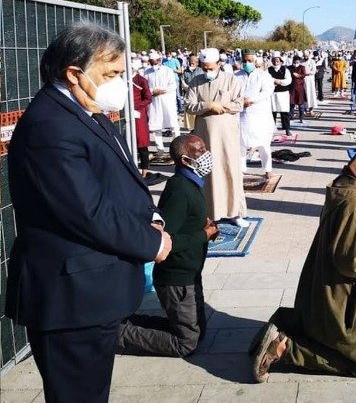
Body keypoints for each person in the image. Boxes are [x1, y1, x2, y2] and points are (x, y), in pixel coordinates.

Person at [5, 23, 172, 403]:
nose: (120, 83)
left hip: (91, 293)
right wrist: (151, 242)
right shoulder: (51, 126)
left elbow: (119, 182)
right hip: (70, 298)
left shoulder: (86, 111)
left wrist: (152, 217)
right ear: (74, 73)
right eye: (112, 74)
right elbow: (86, 211)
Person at [249, 142, 356, 382]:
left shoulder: (353, 182)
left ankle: (290, 332)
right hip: (344, 293)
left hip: (326, 280)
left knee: (350, 342)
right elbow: (354, 262)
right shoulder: (353, 203)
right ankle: (284, 349)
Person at [118, 135, 218, 357]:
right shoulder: (179, 189)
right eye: (200, 151)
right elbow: (166, 239)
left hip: (191, 273)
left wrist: (203, 225)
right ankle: (114, 335)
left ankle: (122, 323)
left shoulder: (192, 183)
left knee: (198, 332)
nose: (206, 155)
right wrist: (203, 235)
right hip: (176, 278)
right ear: (184, 159)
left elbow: (186, 223)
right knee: (186, 343)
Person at [185, 48, 248, 227]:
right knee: (208, 171)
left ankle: (234, 212)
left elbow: (238, 105)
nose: (207, 71)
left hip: (226, 136)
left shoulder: (231, 80)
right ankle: (211, 212)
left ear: (219, 65)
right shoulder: (195, 81)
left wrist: (220, 106)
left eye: (210, 68)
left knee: (229, 169)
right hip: (204, 136)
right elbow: (189, 105)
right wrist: (207, 105)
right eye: (204, 68)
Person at [237, 52, 276, 177]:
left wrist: (252, 100)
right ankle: (242, 168)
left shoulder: (263, 76)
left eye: (249, 61)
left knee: (263, 143)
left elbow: (267, 91)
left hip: (260, 114)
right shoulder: (236, 76)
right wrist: (241, 101)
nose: (247, 63)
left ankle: (267, 169)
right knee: (240, 142)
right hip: (242, 113)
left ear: (255, 62)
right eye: (245, 61)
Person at [130, 58, 164, 186]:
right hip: (126, 115)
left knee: (141, 143)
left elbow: (148, 98)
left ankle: (145, 171)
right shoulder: (122, 80)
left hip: (139, 115)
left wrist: (136, 107)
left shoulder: (141, 80)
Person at [144, 50, 178, 155]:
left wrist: (162, 90)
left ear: (159, 61)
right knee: (155, 125)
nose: (154, 64)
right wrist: (153, 91)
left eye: (156, 62)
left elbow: (173, 85)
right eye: (152, 62)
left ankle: (177, 146)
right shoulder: (147, 72)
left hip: (167, 100)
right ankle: (160, 148)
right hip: (154, 101)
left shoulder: (168, 70)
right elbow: (145, 87)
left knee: (173, 124)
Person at [268, 52, 292, 135]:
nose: (275, 62)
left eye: (277, 60)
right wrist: (274, 81)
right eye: (274, 60)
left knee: (284, 112)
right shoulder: (268, 70)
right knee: (272, 112)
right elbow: (267, 79)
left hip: (283, 93)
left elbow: (288, 80)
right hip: (272, 93)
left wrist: (280, 81)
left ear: (280, 61)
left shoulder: (285, 70)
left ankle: (287, 129)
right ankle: (271, 129)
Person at [181, 55, 203, 132]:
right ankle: (192, 129)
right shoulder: (185, 72)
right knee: (190, 113)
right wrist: (186, 87)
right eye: (190, 63)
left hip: (199, 95)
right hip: (188, 94)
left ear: (197, 63)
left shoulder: (201, 71)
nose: (191, 64)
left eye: (193, 63)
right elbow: (183, 82)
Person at [289, 55, 307, 125]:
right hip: (291, 88)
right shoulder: (289, 68)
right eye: (295, 61)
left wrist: (299, 75)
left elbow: (304, 75)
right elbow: (286, 74)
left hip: (300, 88)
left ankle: (301, 118)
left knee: (301, 104)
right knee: (291, 104)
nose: (296, 62)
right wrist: (292, 73)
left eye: (297, 61)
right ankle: (291, 117)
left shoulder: (302, 67)